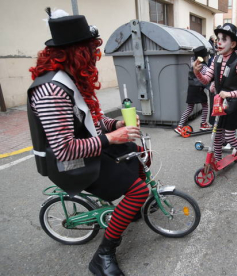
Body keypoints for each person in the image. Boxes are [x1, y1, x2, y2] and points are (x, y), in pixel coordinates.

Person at [28, 9, 149, 275]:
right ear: (77, 52)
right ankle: (103, 255)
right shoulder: (51, 89)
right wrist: (111, 137)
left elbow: (93, 121)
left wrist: (115, 125)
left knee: (135, 149)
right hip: (70, 164)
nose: (95, 58)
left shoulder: (70, 78)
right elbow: (63, 149)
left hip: (88, 150)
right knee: (139, 190)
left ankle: (131, 208)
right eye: (91, 51)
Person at [193, 23, 237, 178]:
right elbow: (206, 79)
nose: (219, 42)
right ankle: (218, 160)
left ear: (233, 43)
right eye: (218, 39)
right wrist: (197, 72)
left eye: (223, 39)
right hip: (218, 104)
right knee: (217, 134)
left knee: (230, 137)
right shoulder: (216, 59)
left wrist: (229, 94)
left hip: (231, 106)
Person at [174, 46, 212, 134]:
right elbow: (210, 74)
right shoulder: (202, 67)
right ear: (203, 57)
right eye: (206, 56)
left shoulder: (193, 62)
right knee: (205, 105)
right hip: (198, 88)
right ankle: (203, 124)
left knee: (190, 108)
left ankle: (180, 126)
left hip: (191, 88)